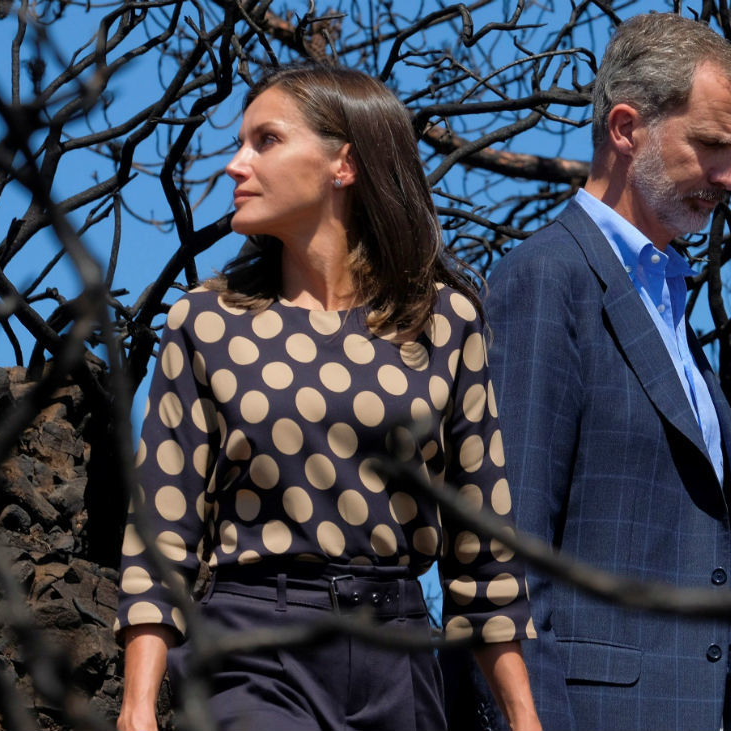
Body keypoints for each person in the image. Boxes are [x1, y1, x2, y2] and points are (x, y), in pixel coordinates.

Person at [114, 63, 539, 731]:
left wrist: (524, 716)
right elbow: (162, 530)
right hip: (250, 650)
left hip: (400, 657)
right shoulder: (205, 322)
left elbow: (482, 548)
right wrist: (137, 705)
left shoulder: (448, 323)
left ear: (343, 163)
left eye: (266, 140)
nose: (234, 165)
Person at [484, 13, 731, 731]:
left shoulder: (667, 306)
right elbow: (508, 558)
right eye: (712, 146)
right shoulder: (546, 280)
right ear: (626, 128)